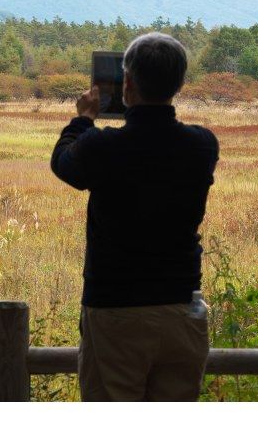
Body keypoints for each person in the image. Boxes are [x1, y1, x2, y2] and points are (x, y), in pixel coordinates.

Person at [50, 32, 219, 402]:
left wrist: (83, 121)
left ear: (127, 84)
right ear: (180, 84)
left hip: (115, 310)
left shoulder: (101, 146)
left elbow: (63, 162)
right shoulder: (202, 145)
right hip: (181, 306)